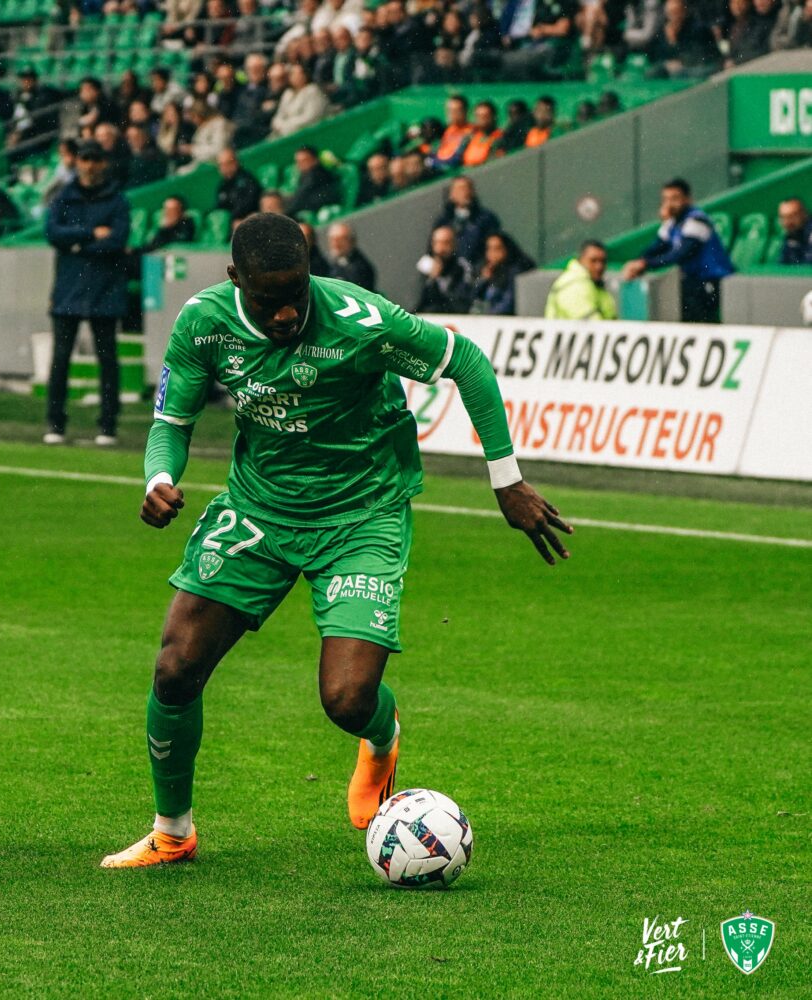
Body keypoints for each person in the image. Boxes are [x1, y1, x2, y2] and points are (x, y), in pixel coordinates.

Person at [101, 212, 571, 868]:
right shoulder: (205, 323)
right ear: (236, 279)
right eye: (270, 302)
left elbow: (462, 358)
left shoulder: (360, 320)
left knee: (347, 700)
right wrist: (159, 476)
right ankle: (173, 831)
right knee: (175, 668)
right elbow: (171, 420)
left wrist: (507, 480)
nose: (289, 314)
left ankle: (382, 738)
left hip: (363, 515)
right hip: (259, 511)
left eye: (298, 295)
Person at [43, 140, 131, 447]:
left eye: (94, 159)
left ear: (103, 163)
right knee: (60, 359)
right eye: (85, 159)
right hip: (70, 288)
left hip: (103, 288)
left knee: (107, 360)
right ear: (77, 162)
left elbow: (118, 239)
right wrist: (92, 234)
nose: (89, 165)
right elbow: (53, 234)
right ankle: (55, 423)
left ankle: (108, 425)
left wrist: (76, 243)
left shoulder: (117, 199)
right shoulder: (64, 197)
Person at [621, 178, 734, 323]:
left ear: (688, 200)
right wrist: (638, 262)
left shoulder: (697, 220)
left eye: (675, 199)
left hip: (711, 280)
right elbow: (657, 247)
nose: (669, 204)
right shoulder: (672, 222)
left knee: (702, 323)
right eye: (666, 199)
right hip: (692, 281)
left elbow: (681, 254)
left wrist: (645, 264)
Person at [433, 176, 502, 269]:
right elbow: (431, 252)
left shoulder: (487, 218)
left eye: (468, 188)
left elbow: (496, 246)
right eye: (460, 189)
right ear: (451, 194)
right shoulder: (443, 222)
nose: (465, 192)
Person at [545, 239, 617, 319]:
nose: (599, 266)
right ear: (581, 259)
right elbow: (591, 325)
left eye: (602, 261)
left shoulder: (595, 284)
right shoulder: (574, 283)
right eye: (593, 260)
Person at [470, 232, 535, 315]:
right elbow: (472, 297)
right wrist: (483, 280)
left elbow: (509, 303)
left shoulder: (515, 271)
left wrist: (488, 316)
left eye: (497, 249)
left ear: (506, 250)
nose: (492, 254)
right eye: (489, 249)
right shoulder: (485, 270)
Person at [416, 225, 475, 313]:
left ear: (454, 244)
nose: (441, 248)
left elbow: (460, 300)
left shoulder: (462, 267)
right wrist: (432, 279)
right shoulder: (425, 266)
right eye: (438, 243)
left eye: (446, 243)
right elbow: (419, 299)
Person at [286, 145, 342, 218]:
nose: (300, 165)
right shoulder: (304, 176)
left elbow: (301, 196)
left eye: (304, 160)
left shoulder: (316, 174)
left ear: (315, 160)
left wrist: (287, 213)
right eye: (298, 162)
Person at [325, 221, 377, 291]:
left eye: (340, 239)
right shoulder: (331, 264)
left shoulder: (361, 267)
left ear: (352, 241)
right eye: (332, 239)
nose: (336, 244)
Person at [214, 148, 262, 224]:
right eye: (221, 165)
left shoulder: (247, 179)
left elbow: (251, 202)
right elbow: (220, 209)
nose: (225, 168)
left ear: (236, 162)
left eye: (228, 163)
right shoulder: (222, 186)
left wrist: (237, 219)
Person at [776, 197, 812, 264]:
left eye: (792, 216)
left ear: (804, 214)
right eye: (783, 217)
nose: (787, 222)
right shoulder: (791, 236)